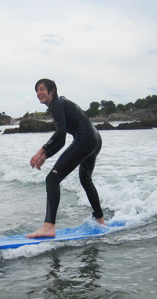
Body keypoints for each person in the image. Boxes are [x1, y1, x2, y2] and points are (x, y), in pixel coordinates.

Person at [27, 79, 105, 238]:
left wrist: (40, 152)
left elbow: (60, 134)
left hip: (85, 140)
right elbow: (61, 140)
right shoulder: (61, 103)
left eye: (42, 89)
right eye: (37, 90)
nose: (39, 93)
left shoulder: (56, 104)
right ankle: (100, 221)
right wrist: (46, 155)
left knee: (52, 178)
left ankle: (49, 227)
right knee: (85, 179)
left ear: (52, 91)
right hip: (95, 139)